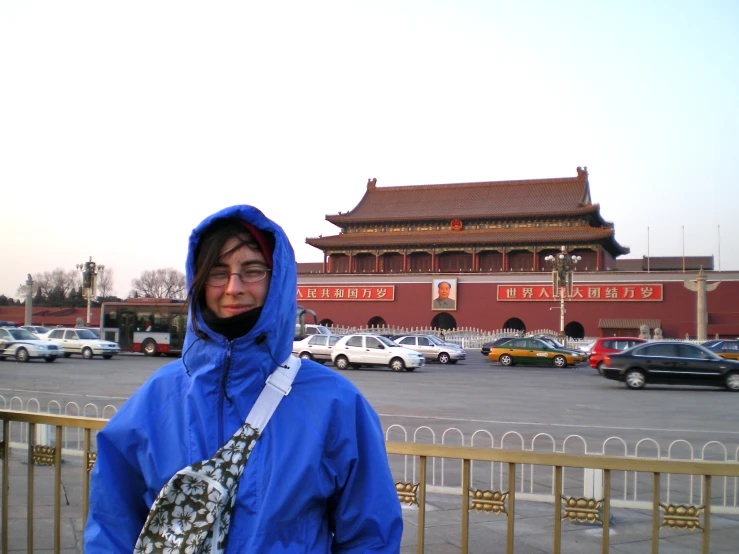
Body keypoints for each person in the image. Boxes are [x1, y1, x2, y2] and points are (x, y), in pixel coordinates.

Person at [84, 205, 403, 552]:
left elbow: (371, 536)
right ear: (199, 282)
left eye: (252, 270)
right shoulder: (157, 398)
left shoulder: (334, 403)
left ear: (277, 279)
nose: (233, 288)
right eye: (218, 272)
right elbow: (111, 523)